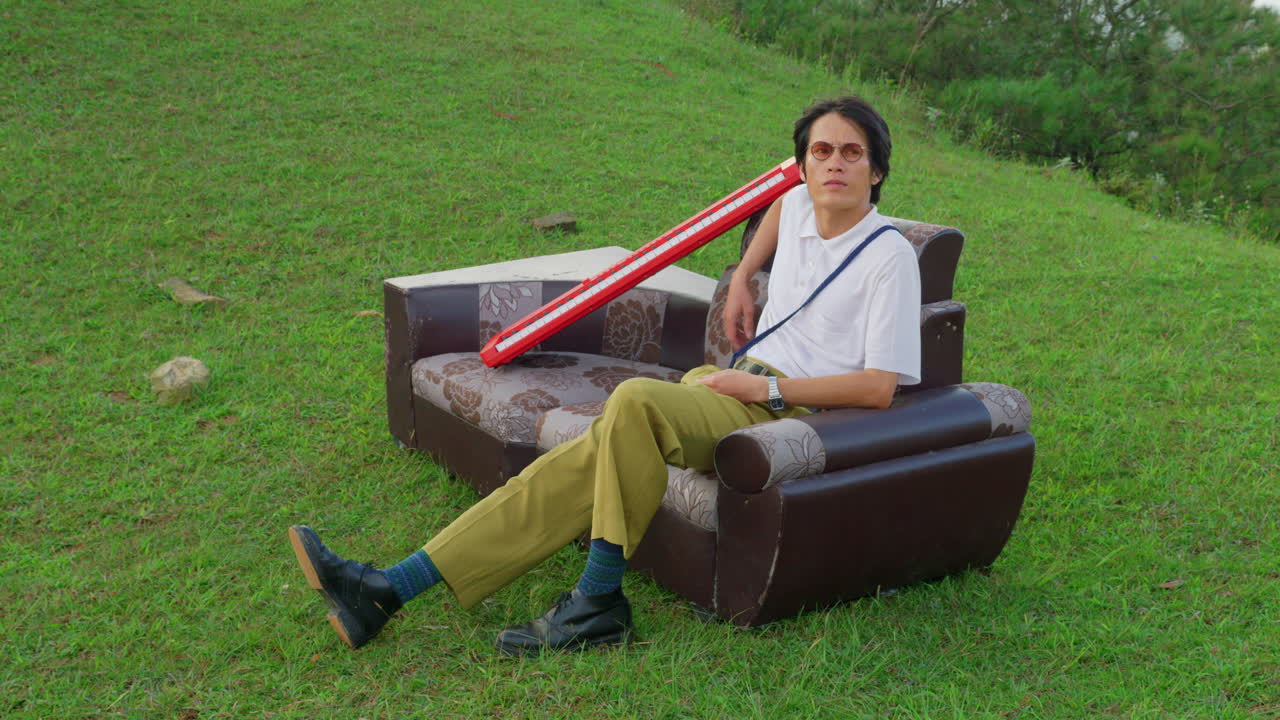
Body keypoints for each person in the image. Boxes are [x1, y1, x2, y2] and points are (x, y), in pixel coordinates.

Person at [288, 95, 921, 656]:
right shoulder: (801, 205)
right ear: (804, 165)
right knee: (570, 470)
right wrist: (742, 280)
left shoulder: (888, 256)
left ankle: (598, 598)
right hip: (729, 384)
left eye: (852, 153)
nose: (834, 164)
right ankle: (387, 590)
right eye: (820, 151)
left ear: (877, 171)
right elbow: (780, 211)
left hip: (783, 412)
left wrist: (767, 389)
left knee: (635, 402)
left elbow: (879, 387)